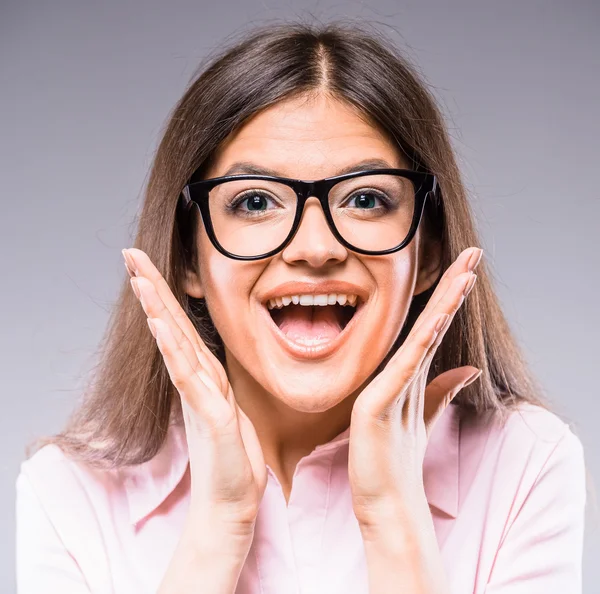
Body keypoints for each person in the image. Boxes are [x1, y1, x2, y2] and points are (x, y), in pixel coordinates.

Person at [15, 20, 587, 594]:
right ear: (189, 258)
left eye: (366, 199)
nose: (315, 248)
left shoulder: (526, 466)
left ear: (428, 251)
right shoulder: (69, 497)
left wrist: (392, 517)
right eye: (255, 201)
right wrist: (219, 524)